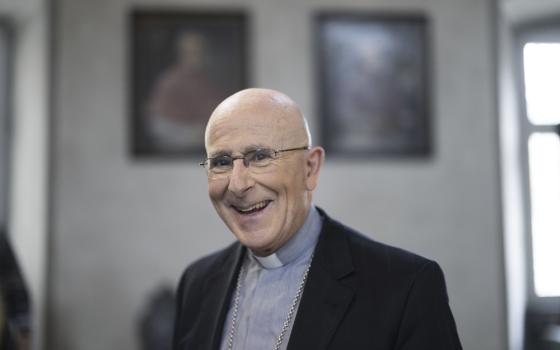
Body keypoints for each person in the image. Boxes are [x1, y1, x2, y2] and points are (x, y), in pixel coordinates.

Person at [173, 88, 462, 350]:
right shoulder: (196, 283)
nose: (237, 185)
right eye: (221, 162)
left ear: (310, 168)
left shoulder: (405, 287)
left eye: (260, 156)